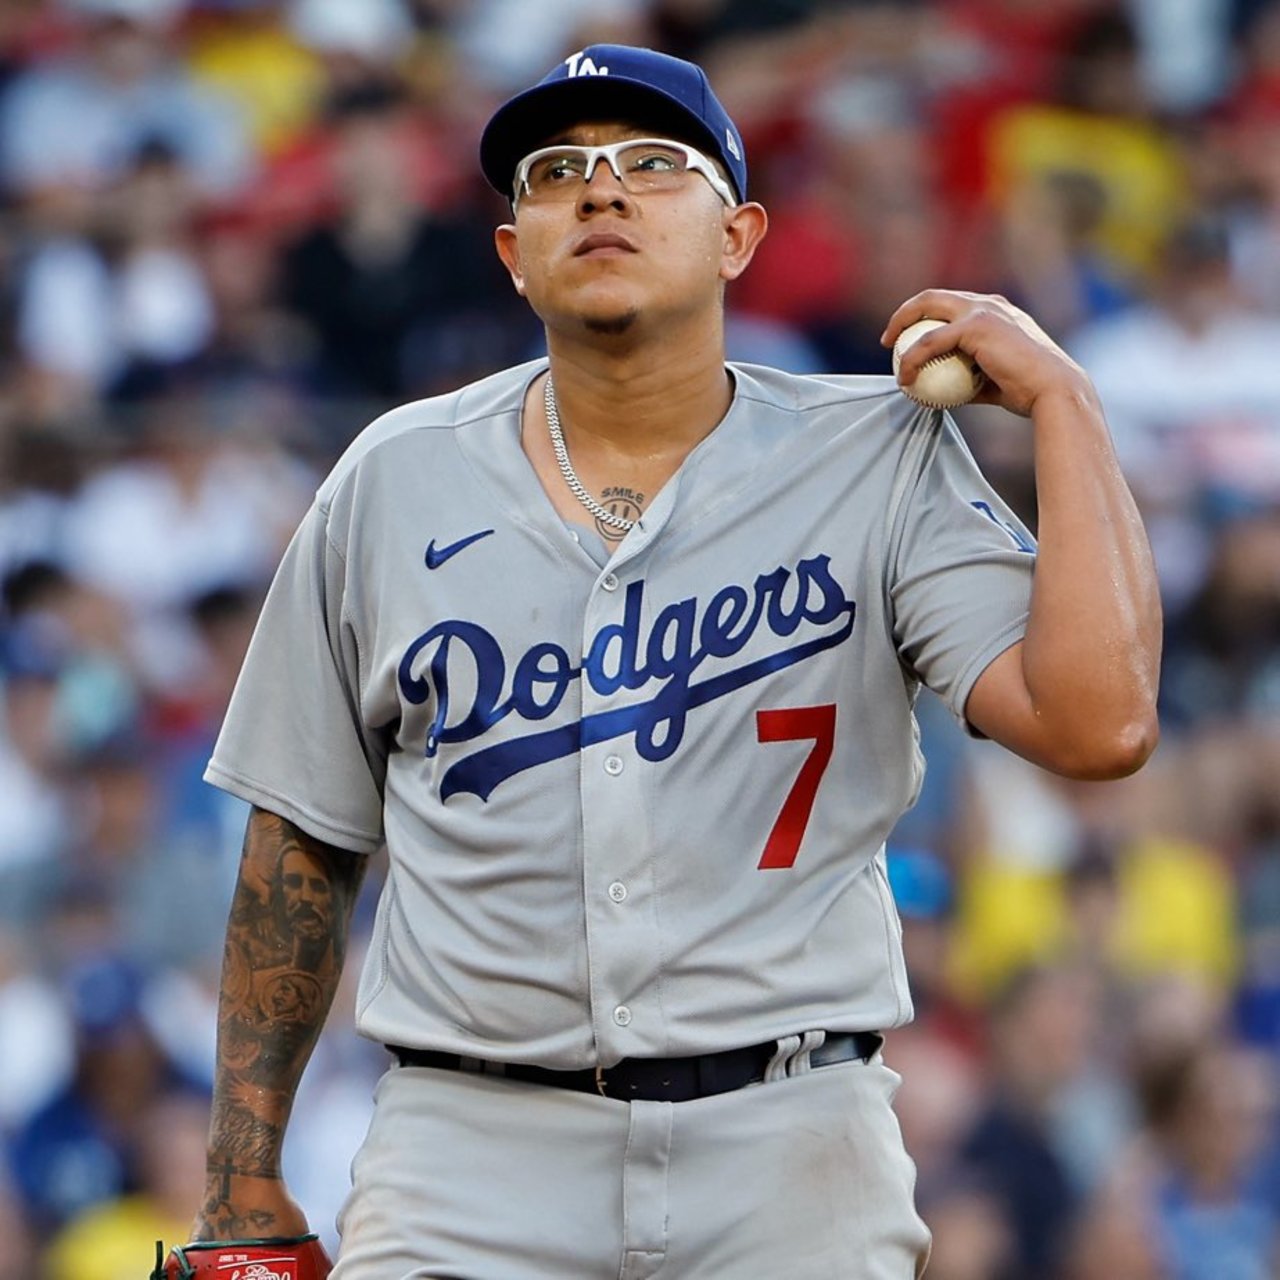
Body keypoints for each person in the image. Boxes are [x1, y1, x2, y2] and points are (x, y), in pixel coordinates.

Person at [187, 43, 1161, 1279]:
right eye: (556, 173)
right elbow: (300, 841)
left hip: (788, 1142)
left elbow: (1096, 724)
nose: (600, 189)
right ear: (513, 253)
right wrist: (240, 1175)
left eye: (652, 164)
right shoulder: (392, 477)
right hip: (469, 1150)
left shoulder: (876, 454)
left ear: (737, 237)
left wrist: (1067, 404)